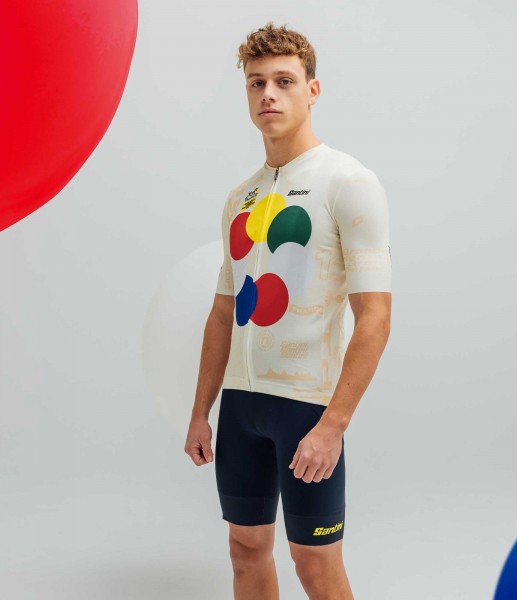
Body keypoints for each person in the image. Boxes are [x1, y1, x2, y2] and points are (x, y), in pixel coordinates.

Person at [185, 21, 392, 600]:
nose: (268, 94)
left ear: (312, 90)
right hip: (241, 407)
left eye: (283, 81)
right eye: (256, 83)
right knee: (245, 550)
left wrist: (333, 425)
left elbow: (375, 317)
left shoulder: (348, 182)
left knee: (315, 564)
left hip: (306, 407)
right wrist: (200, 411)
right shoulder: (240, 197)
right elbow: (222, 313)